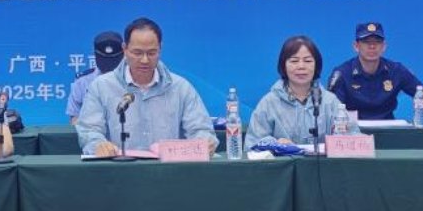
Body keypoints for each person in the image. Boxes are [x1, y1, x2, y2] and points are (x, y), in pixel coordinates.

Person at [76, 17, 216, 157]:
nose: (144, 60)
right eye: (137, 53)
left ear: (160, 49)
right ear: (125, 49)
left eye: (151, 53)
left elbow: (201, 130)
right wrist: (98, 145)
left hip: (168, 169)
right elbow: (89, 130)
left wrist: (204, 142)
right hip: (119, 168)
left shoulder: (181, 88)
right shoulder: (101, 86)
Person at [327, 21, 423, 123]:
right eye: (366, 42)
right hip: (354, 131)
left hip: (388, 131)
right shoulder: (342, 73)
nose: (372, 46)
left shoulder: (396, 70)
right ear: (356, 46)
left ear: (384, 46)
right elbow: (332, 112)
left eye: (377, 42)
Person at [249, 35, 347, 144]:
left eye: (308, 61)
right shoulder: (269, 103)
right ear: (284, 65)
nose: (301, 66)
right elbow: (252, 143)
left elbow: (352, 138)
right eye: (294, 61)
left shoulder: (330, 101)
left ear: (316, 65)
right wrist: (275, 144)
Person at [65, 30, 124, 123]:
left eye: (113, 59)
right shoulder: (82, 81)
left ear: (123, 54)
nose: (109, 64)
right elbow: (74, 117)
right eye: (104, 60)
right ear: (95, 55)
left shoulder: (133, 79)